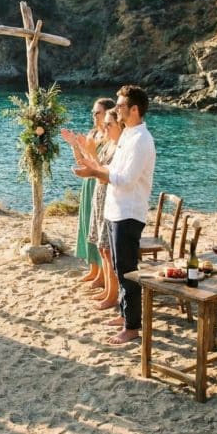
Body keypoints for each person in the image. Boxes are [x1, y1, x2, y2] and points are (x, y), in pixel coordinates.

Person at [73, 85, 156, 344]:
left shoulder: (141, 140)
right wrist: (95, 166)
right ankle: (124, 314)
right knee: (120, 268)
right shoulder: (128, 136)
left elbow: (126, 179)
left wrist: (95, 173)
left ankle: (132, 326)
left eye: (120, 106)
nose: (116, 109)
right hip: (115, 210)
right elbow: (113, 169)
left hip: (129, 213)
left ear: (134, 109)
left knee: (127, 270)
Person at [62, 99, 110, 287]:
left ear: (107, 114)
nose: (94, 115)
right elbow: (82, 160)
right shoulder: (92, 134)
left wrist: (88, 152)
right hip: (88, 184)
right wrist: (75, 144)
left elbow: (99, 163)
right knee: (87, 224)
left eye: (97, 112)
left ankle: (102, 274)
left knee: (99, 228)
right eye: (93, 112)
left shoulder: (109, 136)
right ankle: (93, 269)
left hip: (100, 182)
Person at [87, 108, 124, 310]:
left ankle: (112, 295)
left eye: (110, 124)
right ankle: (108, 291)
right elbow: (97, 167)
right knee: (103, 248)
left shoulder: (121, 147)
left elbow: (103, 171)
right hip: (102, 197)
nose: (105, 127)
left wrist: (91, 154)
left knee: (108, 250)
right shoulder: (110, 145)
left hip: (111, 200)